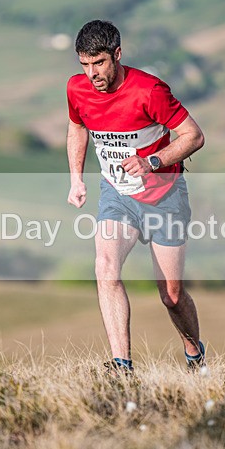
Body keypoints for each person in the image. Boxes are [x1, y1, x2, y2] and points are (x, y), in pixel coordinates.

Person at [65, 19, 206, 375]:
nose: (92, 73)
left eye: (99, 63)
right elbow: (77, 127)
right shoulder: (77, 89)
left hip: (165, 197)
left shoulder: (150, 90)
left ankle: (194, 353)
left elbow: (193, 136)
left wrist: (152, 161)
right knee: (105, 269)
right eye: (84, 64)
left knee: (171, 296)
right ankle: (122, 367)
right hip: (117, 196)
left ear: (117, 54)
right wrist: (76, 179)